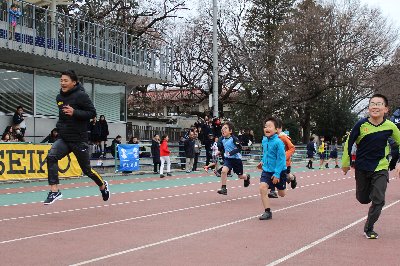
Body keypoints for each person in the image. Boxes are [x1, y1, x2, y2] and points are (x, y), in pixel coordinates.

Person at [44, 70, 110, 205]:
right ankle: (54, 191)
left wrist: (74, 112)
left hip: (79, 140)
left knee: (86, 170)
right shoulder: (59, 98)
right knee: (51, 157)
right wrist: (59, 128)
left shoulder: (81, 96)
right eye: (61, 80)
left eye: (65, 80)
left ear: (73, 82)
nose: (62, 83)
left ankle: (103, 185)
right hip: (64, 138)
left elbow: (92, 113)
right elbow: (62, 117)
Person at [342, 94, 400, 239]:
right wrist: (345, 163)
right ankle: (368, 194)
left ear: (386, 109)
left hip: (381, 167)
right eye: (372, 103)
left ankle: (369, 228)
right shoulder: (360, 125)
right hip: (362, 168)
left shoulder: (390, 126)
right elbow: (349, 143)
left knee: (379, 199)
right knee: (363, 199)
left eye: (379, 104)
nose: (375, 106)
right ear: (368, 108)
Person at [257, 117, 287, 220]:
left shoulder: (279, 143)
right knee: (262, 188)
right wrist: (262, 162)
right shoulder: (264, 140)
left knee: (281, 194)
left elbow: (281, 160)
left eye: (270, 126)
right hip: (267, 171)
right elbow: (266, 153)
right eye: (265, 126)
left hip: (279, 171)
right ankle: (267, 212)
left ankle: (289, 178)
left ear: (276, 129)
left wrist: (277, 173)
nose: (267, 128)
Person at [217, 121, 250, 195]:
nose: (223, 130)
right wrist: (219, 152)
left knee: (240, 176)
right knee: (223, 171)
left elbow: (239, 148)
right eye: (222, 129)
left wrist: (231, 152)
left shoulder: (234, 139)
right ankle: (224, 188)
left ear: (230, 131)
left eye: (225, 128)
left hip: (236, 160)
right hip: (228, 159)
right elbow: (223, 148)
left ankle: (246, 177)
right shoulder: (222, 140)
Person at [268, 118, 297, 198]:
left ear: (279, 129)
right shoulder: (270, 138)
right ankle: (272, 191)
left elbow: (292, 148)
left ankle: (293, 178)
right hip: (274, 163)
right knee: (271, 173)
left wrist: (284, 156)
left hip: (285, 163)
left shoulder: (284, 138)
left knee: (287, 176)